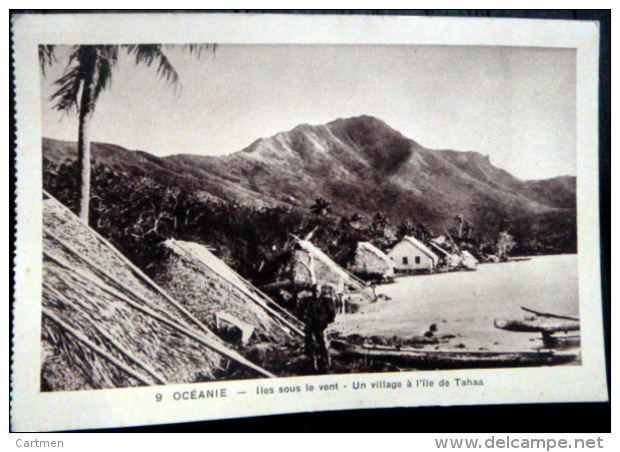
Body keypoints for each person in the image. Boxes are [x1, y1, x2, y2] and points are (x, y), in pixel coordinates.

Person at [300, 283, 337, 372]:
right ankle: (313, 364)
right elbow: (300, 311)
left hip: (321, 326)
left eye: (317, 291)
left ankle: (327, 363)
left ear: (320, 292)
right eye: (314, 291)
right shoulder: (308, 300)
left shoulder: (326, 300)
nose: (316, 293)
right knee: (311, 345)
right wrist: (304, 319)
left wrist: (327, 321)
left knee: (323, 344)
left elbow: (332, 312)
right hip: (310, 325)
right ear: (312, 292)